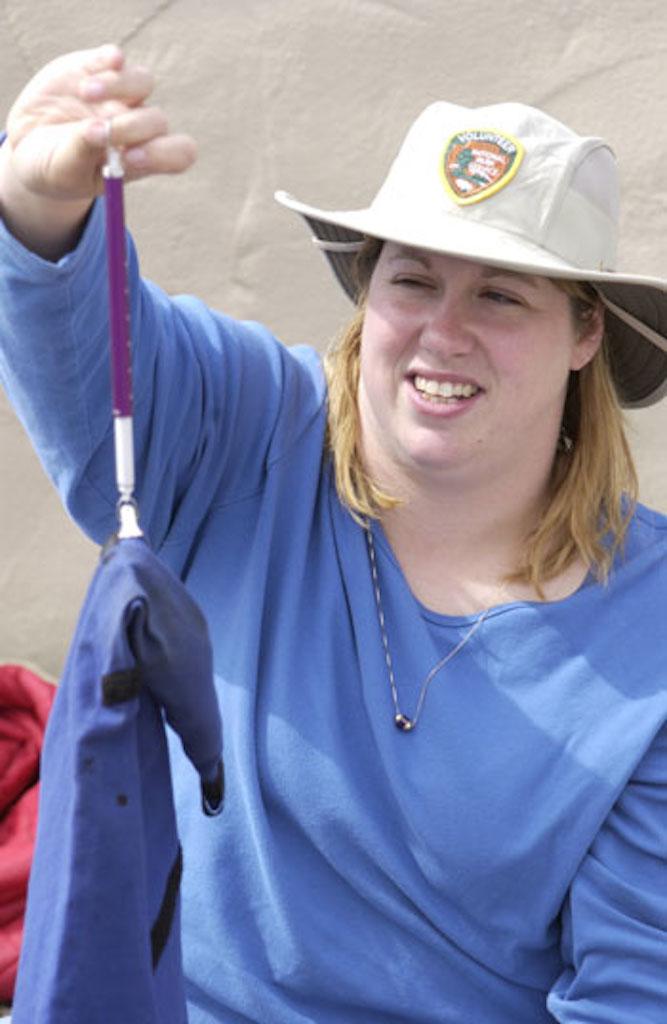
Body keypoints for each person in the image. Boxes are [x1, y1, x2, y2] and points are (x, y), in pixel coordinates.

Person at [0, 43, 666, 1024]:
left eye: (499, 293)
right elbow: (83, 344)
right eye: (411, 280)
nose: (443, 330)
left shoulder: (648, 640)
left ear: (583, 336)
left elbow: (627, 998)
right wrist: (35, 201)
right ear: (367, 291)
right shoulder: (253, 430)